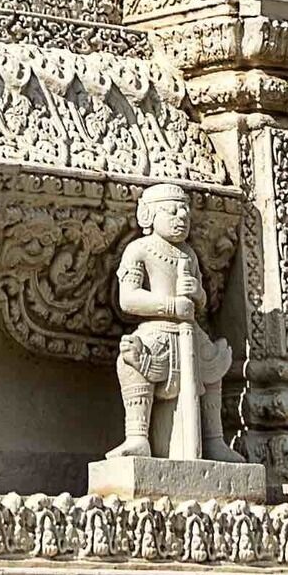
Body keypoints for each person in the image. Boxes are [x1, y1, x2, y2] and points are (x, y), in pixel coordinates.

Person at [114, 187, 229, 462]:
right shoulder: (139, 250)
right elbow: (128, 298)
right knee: (130, 361)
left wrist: (197, 293)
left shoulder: (188, 254)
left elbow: (199, 299)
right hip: (157, 328)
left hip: (189, 331)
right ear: (149, 215)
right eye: (172, 211)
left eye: (185, 212)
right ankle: (137, 436)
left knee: (214, 364)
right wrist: (171, 306)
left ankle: (215, 440)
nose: (181, 218)